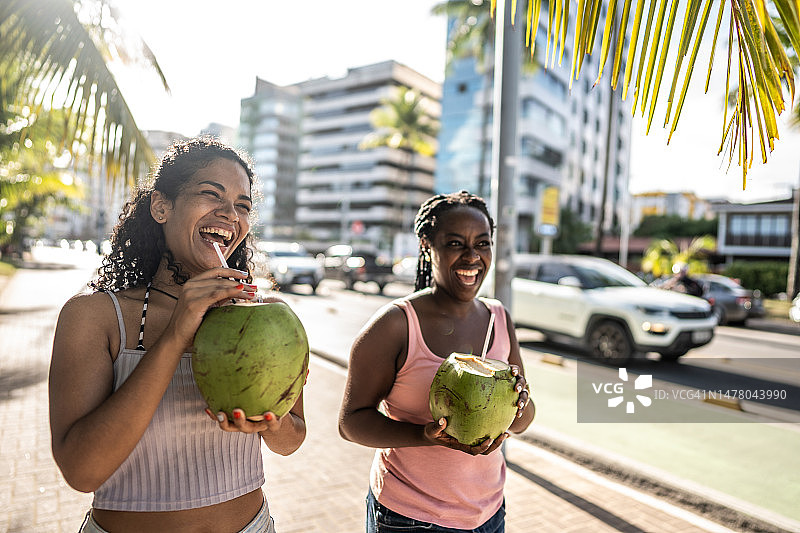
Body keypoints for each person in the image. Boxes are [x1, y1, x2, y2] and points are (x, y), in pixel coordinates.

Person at [49, 137, 306, 533]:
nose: (229, 213)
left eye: (243, 205)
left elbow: (291, 441)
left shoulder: (266, 316)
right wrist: (176, 332)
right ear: (161, 206)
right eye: (211, 194)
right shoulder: (96, 316)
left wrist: (272, 423)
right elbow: (82, 472)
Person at [338, 191, 535, 533]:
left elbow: (522, 422)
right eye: (456, 243)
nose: (472, 257)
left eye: (483, 243)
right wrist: (425, 435)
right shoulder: (396, 325)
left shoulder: (499, 318)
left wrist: (519, 400)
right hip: (409, 516)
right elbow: (351, 423)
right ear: (428, 246)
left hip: (489, 512)